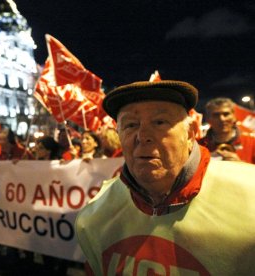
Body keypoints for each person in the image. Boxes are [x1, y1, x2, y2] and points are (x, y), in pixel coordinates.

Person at [75, 80, 255, 275]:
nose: (143, 135)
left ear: (191, 133)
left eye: (160, 122)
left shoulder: (250, 197)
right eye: (131, 125)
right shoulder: (94, 217)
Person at [198, 97, 255, 163]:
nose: (222, 119)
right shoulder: (199, 146)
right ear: (208, 118)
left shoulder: (252, 143)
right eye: (216, 115)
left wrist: (241, 164)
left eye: (226, 114)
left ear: (234, 116)